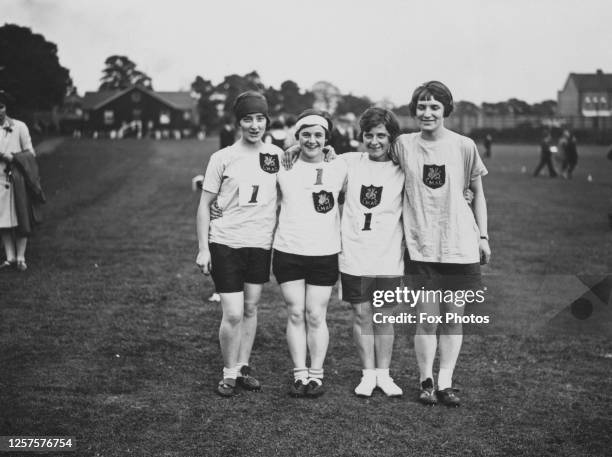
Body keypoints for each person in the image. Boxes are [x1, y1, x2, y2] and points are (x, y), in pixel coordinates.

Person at [391, 81, 490, 407]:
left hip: (459, 244)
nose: (427, 112)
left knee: (453, 317)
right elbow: (372, 158)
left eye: (434, 106)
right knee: (427, 317)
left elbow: (478, 196)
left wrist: (483, 237)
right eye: (422, 106)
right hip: (421, 246)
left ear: (446, 110)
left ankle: (446, 381)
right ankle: (426, 382)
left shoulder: (464, 146)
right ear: (414, 110)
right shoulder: (403, 144)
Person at [196, 91, 282, 397]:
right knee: (232, 312)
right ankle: (228, 370)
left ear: (267, 121)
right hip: (225, 242)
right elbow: (205, 204)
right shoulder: (222, 158)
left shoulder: (277, 155)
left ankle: (243, 366)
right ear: (238, 122)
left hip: (259, 243)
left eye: (260, 118)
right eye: (248, 118)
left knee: (251, 307)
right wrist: (203, 248)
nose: (255, 124)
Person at [273, 109, 347, 398]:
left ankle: (316, 374)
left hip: (324, 251)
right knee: (295, 313)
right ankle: (299, 373)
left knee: (316, 315)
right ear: (297, 136)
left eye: (318, 135)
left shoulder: (340, 166)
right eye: (306, 134)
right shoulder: (283, 165)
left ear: (327, 138)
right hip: (288, 249)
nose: (311, 140)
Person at [338, 108, 405, 397]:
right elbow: (311, 162)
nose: (375, 141)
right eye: (369, 135)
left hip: (388, 255)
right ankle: (367, 374)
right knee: (362, 314)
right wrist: (291, 147)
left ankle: (384, 375)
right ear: (361, 136)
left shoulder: (403, 167)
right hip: (354, 253)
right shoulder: (349, 162)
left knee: (384, 317)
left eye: (381, 136)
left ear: (392, 138)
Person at [0, 90, 43, 272]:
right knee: (3, 219)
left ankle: (21, 257)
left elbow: (31, 153)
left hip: (19, 179)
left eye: (0, 107)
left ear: (6, 107)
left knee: (21, 217)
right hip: (0, 179)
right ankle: (9, 257)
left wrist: (14, 158)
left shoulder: (20, 127)